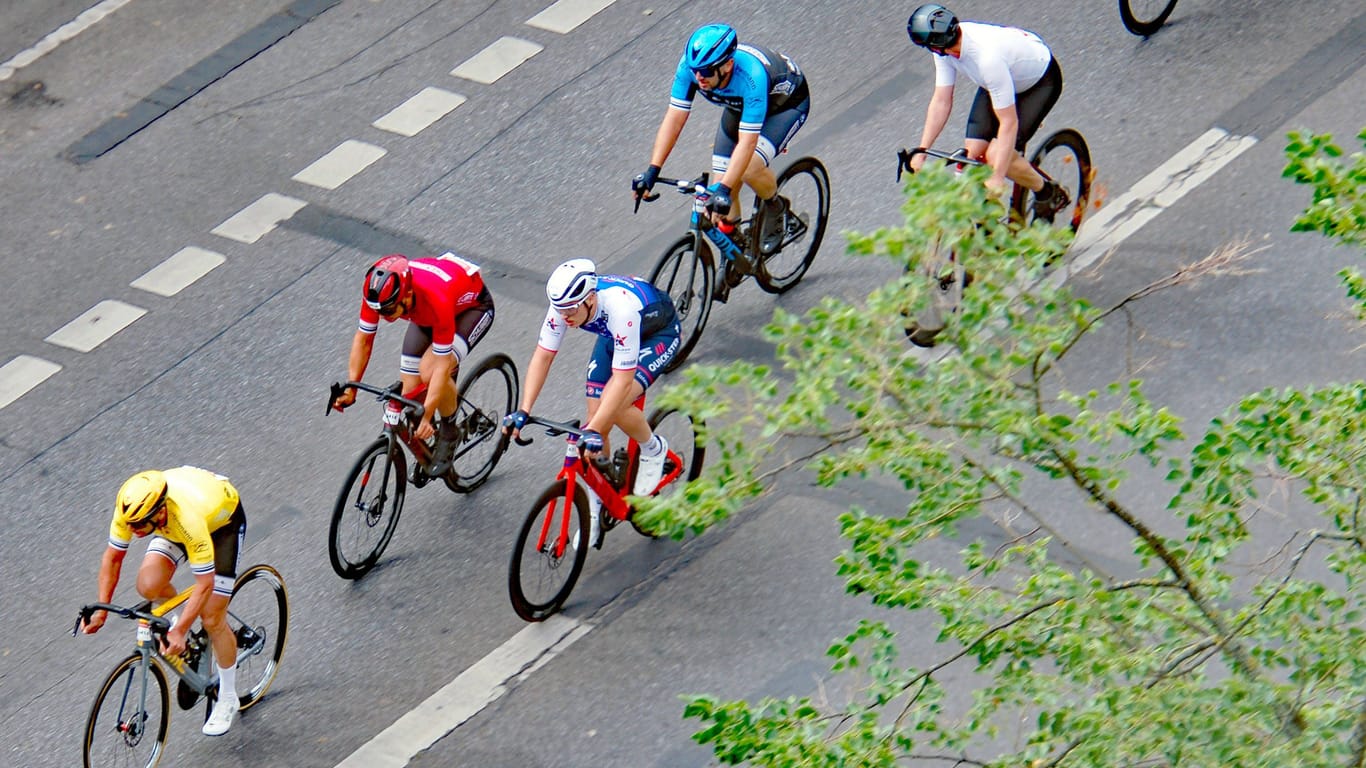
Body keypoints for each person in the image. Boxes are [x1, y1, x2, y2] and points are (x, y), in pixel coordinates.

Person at [503, 260, 681, 547]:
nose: (565, 317)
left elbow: (622, 382)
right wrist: (524, 410)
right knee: (595, 415)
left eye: (571, 310)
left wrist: (595, 428)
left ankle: (653, 448)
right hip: (614, 336)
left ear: (591, 298)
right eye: (560, 310)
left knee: (617, 407)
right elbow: (543, 356)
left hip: (657, 334)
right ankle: (598, 505)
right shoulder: (565, 305)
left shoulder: (621, 310)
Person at [81, 467, 247, 736]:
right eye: (129, 524)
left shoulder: (187, 520)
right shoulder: (131, 511)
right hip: (174, 525)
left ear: (159, 512)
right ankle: (192, 639)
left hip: (221, 526)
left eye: (138, 525)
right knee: (148, 584)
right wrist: (102, 609)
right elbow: (112, 558)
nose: (132, 530)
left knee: (213, 618)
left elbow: (204, 584)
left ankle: (228, 696)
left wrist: (180, 628)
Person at [632, 23, 810, 262]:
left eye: (705, 72)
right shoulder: (691, 69)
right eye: (695, 70)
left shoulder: (752, 78)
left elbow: (747, 143)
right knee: (718, 188)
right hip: (739, 107)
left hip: (785, 105)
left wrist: (725, 189)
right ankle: (736, 250)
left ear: (727, 65)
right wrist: (652, 170)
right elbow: (674, 118)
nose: (698, 77)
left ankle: (777, 208)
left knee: (746, 170)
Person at [330, 252, 495, 475]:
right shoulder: (378, 295)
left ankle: (449, 430)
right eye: (378, 311)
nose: (382, 316)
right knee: (409, 392)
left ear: (407, 294)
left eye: (388, 311)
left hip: (471, 309)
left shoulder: (436, 298)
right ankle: (429, 442)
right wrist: (352, 387)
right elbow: (364, 339)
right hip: (424, 314)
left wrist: (428, 415)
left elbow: (440, 367)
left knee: (430, 370)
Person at [904, 3, 1070, 220]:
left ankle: (1048, 193)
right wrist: (922, 150)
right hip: (1002, 78)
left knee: (997, 155)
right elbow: (941, 101)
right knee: (973, 151)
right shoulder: (944, 49)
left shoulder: (986, 59)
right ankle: (986, 221)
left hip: (1039, 81)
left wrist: (998, 177)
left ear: (934, 45)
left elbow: (1009, 123)